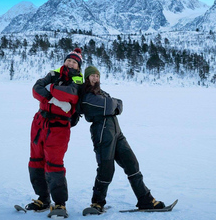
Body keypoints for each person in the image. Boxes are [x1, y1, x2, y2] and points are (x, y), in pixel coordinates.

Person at [80, 66, 165, 213]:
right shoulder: (87, 97)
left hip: (117, 133)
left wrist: (113, 105)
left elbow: (119, 104)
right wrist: (113, 104)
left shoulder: (101, 93)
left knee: (132, 163)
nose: (95, 78)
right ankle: (97, 203)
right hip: (102, 133)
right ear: (86, 78)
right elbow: (110, 104)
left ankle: (145, 199)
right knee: (106, 168)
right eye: (92, 76)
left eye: (97, 76)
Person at [25, 48, 84, 217]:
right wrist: (52, 97)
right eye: (68, 60)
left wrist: (50, 89)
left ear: (78, 66)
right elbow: (36, 89)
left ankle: (59, 204)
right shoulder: (53, 74)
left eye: (74, 62)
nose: (70, 63)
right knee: (36, 161)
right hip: (39, 123)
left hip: (58, 126)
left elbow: (70, 95)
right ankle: (43, 199)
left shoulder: (78, 80)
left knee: (54, 164)